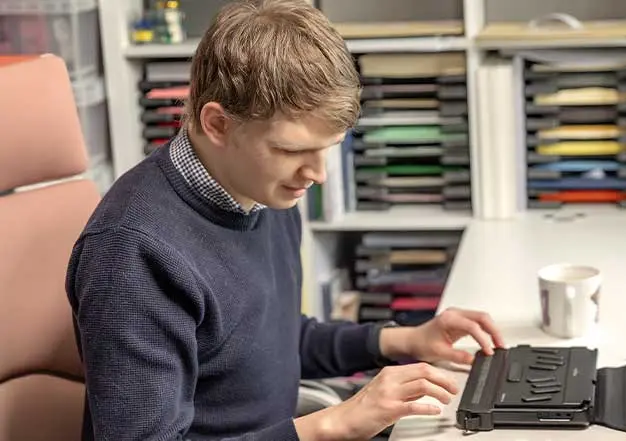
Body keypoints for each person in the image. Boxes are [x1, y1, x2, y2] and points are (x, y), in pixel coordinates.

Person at [65, 0, 505, 440]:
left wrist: (401, 341)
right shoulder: (132, 253)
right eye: (292, 150)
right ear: (217, 124)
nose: (318, 174)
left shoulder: (258, 190)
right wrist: (335, 424)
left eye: (328, 147)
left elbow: (269, 343)